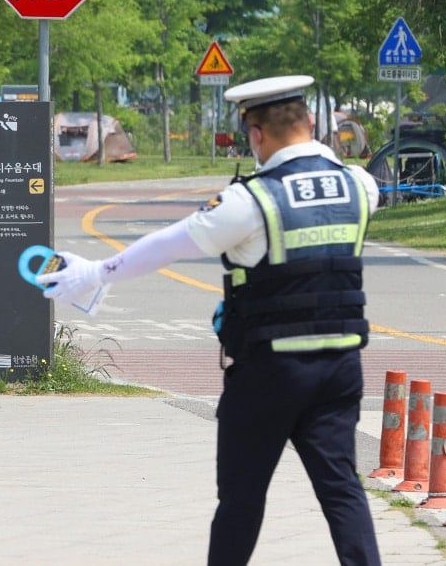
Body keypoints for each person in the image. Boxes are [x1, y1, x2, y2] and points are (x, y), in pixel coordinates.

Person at [36, 75, 383, 565]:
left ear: (256, 135)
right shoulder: (360, 186)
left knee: (241, 499)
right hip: (340, 367)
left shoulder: (251, 201)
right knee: (343, 489)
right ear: (310, 123)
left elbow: (169, 244)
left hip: (269, 373)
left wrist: (97, 271)